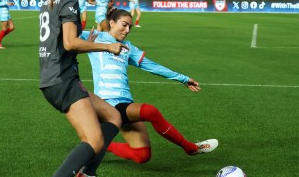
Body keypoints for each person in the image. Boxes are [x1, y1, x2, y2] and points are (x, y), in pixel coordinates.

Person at [31, 0, 127, 177]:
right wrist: (108, 48)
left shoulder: (51, 1)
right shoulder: (70, 3)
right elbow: (70, 42)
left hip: (55, 78)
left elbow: (63, 38)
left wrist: (89, 38)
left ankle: (88, 174)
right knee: (94, 140)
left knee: (113, 116)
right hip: (62, 80)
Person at [81, 9, 218, 164]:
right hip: (107, 104)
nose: (127, 30)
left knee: (142, 155)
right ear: (111, 23)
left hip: (125, 103)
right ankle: (190, 147)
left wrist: (183, 79)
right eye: (124, 25)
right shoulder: (94, 37)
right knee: (149, 111)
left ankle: (100, 145)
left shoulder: (128, 48)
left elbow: (152, 66)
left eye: (130, 27)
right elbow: (68, 40)